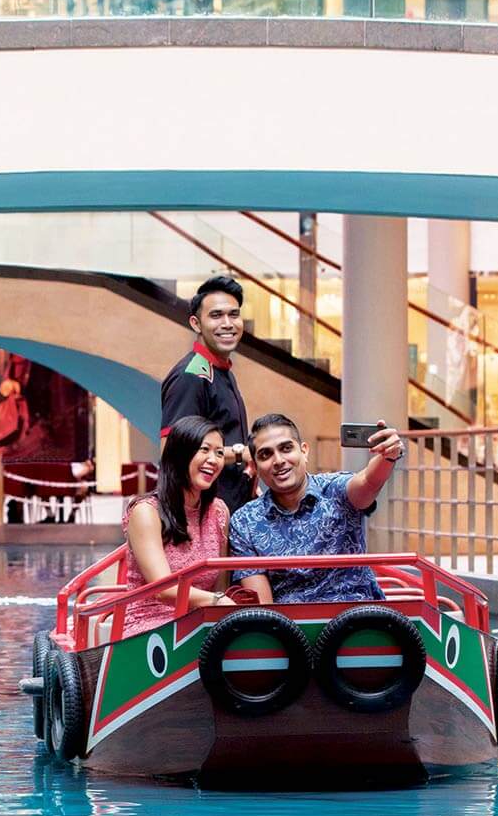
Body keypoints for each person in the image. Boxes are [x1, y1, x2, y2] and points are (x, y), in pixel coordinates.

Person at [228, 412, 405, 604]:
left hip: (359, 619)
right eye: (266, 454)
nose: (278, 460)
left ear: (304, 451)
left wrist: (388, 456)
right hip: (291, 627)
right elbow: (264, 606)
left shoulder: (336, 489)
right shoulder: (244, 521)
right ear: (255, 465)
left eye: (286, 448)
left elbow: (368, 481)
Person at [115, 415, 235, 639]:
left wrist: (218, 603)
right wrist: (217, 601)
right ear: (180, 454)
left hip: (202, 620)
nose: (214, 459)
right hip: (150, 625)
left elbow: (221, 585)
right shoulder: (146, 512)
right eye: (205, 449)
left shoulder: (219, 512)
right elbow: (163, 589)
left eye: (219, 453)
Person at [162, 274, 254, 511]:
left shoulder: (222, 371)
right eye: (216, 315)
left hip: (230, 511)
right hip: (204, 517)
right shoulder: (192, 376)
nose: (227, 323)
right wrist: (240, 453)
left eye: (234, 314)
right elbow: (173, 452)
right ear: (196, 323)